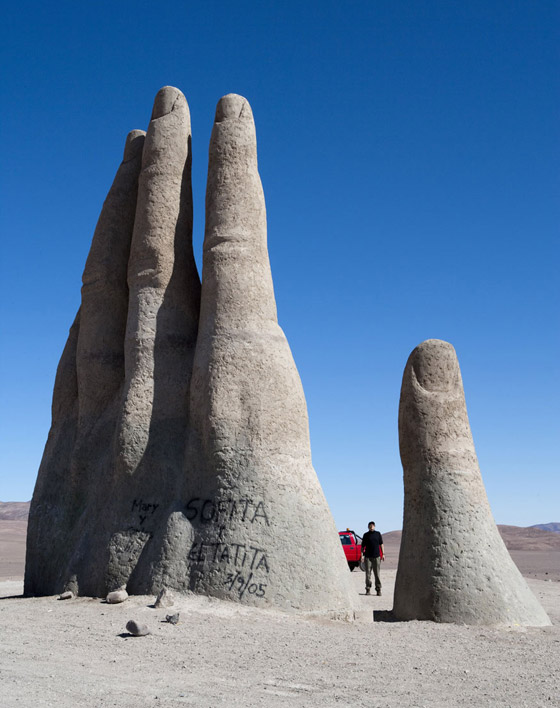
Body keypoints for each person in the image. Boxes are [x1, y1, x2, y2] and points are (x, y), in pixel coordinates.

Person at [361, 521, 384, 596]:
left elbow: (381, 544)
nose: (371, 527)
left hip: (376, 557)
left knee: (377, 574)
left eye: (372, 526)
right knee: (368, 574)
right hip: (368, 557)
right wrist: (362, 556)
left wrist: (383, 554)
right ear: (368, 527)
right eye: (370, 526)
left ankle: (378, 589)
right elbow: (362, 546)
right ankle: (368, 589)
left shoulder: (378, 534)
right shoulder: (366, 535)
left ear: (374, 526)